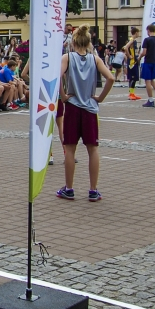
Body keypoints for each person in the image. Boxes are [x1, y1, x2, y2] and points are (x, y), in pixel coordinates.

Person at [55, 25, 114, 202]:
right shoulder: (95, 59)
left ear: (73, 42)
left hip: (72, 107)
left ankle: (69, 188)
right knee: (92, 149)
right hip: (89, 107)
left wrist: (63, 96)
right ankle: (93, 190)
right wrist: (100, 97)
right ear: (89, 43)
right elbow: (110, 78)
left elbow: (56, 75)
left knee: (70, 149)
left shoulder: (67, 57)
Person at [139, 23, 155, 107]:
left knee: (147, 81)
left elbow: (144, 52)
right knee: (152, 80)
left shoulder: (147, 40)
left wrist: (139, 58)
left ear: (148, 30)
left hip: (148, 62)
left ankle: (150, 100)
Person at [123, 27, 142, 101]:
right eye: (138, 32)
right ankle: (131, 94)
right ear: (136, 32)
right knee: (133, 78)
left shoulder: (134, 41)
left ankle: (132, 93)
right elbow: (126, 47)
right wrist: (129, 56)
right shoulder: (132, 40)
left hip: (134, 61)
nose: (139, 34)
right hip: (132, 62)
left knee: (133, 78)